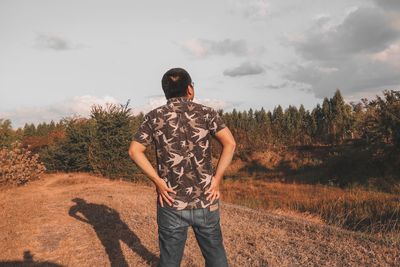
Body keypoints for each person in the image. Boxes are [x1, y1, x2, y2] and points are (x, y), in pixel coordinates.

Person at [128, 67, 236, 267]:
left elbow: (134, 151)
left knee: (169, 261)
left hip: (170, 202)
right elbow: (230, 143)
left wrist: (158, 182)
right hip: (206, 198)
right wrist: (217, 179)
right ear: (189, 89)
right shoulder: (207, 113)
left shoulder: (154, 117)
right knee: (216, 258)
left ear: (166, 91)